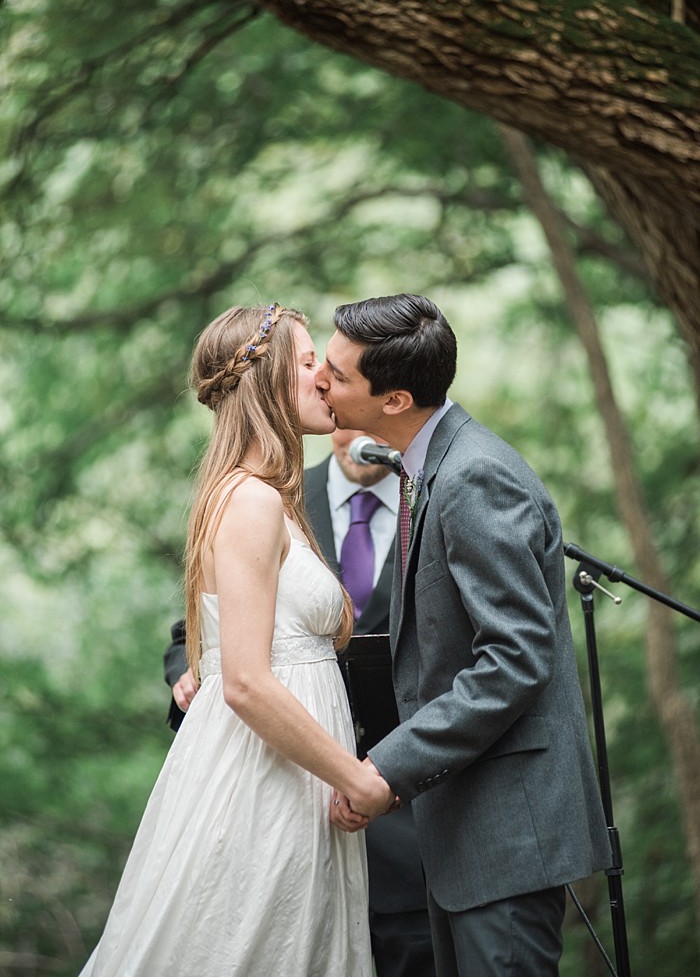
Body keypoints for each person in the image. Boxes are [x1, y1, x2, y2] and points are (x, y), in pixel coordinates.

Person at [79, 303, 396, 977]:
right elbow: (247, 681)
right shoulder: (250, 501)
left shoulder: (272, 497)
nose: (326, 378)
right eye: (310, 363)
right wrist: (355, 776)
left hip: (295, 783)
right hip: (265, 783)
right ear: (272, 380)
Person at [318, 294, 612, 977]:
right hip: (467, 836)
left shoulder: (473, 475)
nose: (321, 382)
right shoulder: (428, 464)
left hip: (506, 836)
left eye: (336, 373)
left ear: (394, 399)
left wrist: (385, 768)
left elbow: (513, 659)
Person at [164, 428, 437, 977]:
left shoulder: (433, 501)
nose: (355, 436)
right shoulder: (273, 499)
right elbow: (192, 631)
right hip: (284, 799)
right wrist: (187, 675)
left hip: (409, 818)